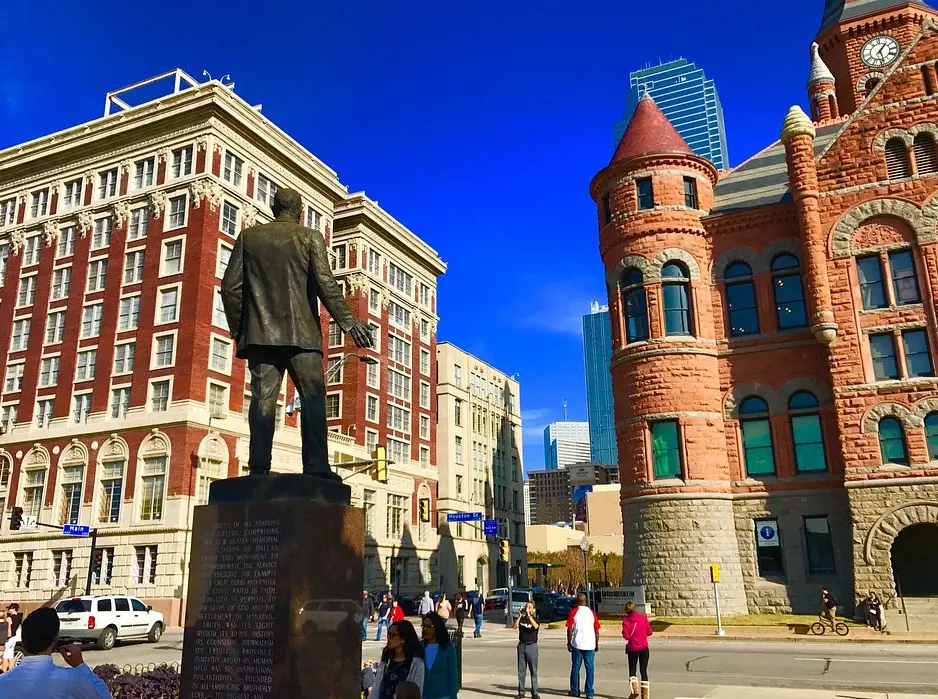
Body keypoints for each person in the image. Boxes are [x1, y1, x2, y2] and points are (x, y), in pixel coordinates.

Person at [220, 187, 374, 477]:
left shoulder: (249, 238)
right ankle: (316, 467)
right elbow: (326, 284)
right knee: (313, 399)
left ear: (272, 207)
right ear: (300, 211)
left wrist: (240, 329)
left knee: (262, 401)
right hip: (302, 337)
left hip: (260, 336)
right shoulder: (310, 237)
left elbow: (229, 288)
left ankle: (258, 468)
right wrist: (350, 323)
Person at [0, 606, 111, 698]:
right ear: (55, 638)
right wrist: (80, 665)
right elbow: (104, 696)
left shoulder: (3, 681)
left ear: (23, 639)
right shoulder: (71, 679)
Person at [369, 620, 426, 699]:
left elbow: (416, 692)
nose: (388, 637)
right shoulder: (387, 658)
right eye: (388, 633)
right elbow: (376, 687)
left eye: (393, 635)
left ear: (403, 638)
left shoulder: (416, 664)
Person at [566, 592, 600, 699]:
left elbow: (570, 629)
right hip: (590, 644)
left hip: (578, 644)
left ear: (577, 601)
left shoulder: (573, 612)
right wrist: (596, 643)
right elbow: (596, 630)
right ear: (585, 601)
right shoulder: (592, 613)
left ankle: (575, 690)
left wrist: (569, 642)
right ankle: (589, 692)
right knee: (590, 668)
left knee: (576, 667)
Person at [421, 612, 459, 699]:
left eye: (429, 626)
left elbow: (453, 675)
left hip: (444, 695)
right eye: (423, 626)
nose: (425, 629)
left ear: (437, 627)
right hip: (424, 695)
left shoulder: (448, 648)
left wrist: (453, 695)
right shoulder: (420, 647)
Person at [621, 601, 653, 699]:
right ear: (635, 608)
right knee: (643, 671)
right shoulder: (643, 618)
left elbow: (626, 636)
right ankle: (645, 695)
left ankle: (634, 690)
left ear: (626, 610)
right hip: (644, 647)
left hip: (632, 648)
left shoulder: (626, 621)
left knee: (632, 670)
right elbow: (650, 632)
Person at [513, 600, 540, 699]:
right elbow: (514, 627)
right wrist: (519, 616)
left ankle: (535, 692)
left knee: (533, 670)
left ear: (533, 609)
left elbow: (536, 626)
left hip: (532, 646)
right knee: (521, 670)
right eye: (526, 607)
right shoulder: (522, 619)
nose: (527, 609)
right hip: (522, 646)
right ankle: (521, 692)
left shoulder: (536, 619)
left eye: (529, 607)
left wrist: (529, 616)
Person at [2, 604, 23, 673]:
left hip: (9, 638)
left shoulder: (10, 618)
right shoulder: (18, 617)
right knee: (10, 656)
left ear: (13, 608)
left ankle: (4, 672)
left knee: (5, 656)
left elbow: (9, 629)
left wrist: (7, 636)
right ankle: (11, 672)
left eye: (10, 609)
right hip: (14, 638)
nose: (9, 610)